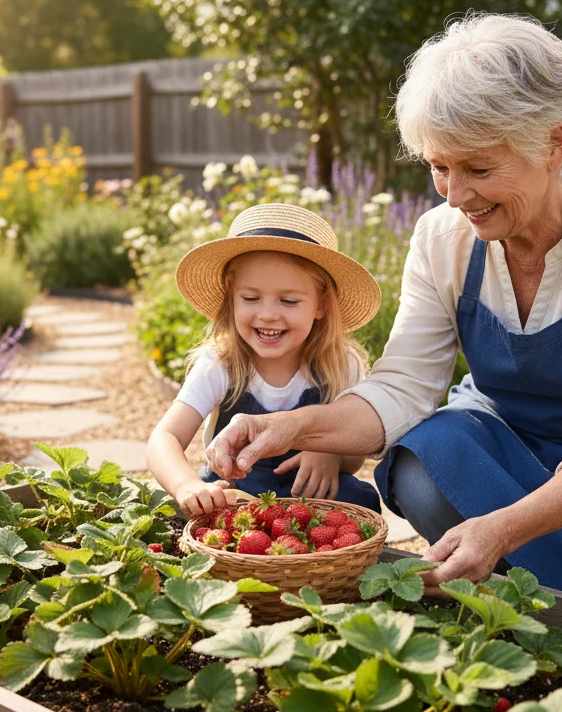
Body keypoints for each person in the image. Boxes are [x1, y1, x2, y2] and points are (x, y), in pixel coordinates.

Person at [203, 14, 562, 616]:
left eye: (477, 169)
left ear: (552, 144)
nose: (453, 195)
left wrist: (498, 529)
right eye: (438, 167)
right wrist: (291, 427)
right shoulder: (443, 237)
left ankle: (514, 566)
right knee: (421, 460)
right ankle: (498, 581)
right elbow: (403, 388)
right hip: (505, 433)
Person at [147, 203, 384, 517]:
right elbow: (164, 437)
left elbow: (356, 452)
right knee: (176, 511)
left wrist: (330, 454)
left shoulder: (341, 365)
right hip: (239, 498)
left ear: (321, 304)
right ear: (231, 297)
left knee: (360, 500)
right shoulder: (221, 365)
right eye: (250, 298)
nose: (269, 314)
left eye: (288, 300)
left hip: (310, 500)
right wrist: (186, 484)